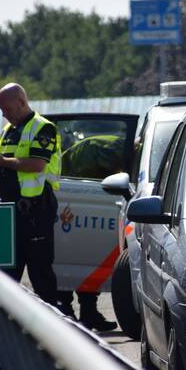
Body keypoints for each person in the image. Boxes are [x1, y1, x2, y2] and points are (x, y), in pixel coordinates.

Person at [0, 83, 65, 310]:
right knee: (8, 272)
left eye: (7, 109)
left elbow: (36, 164)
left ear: (22, 102)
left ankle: (51, 326)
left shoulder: (43, 128)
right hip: (10, 210)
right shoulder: (9, 131)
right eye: (1, 110)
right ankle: (10, 324)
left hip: (35, 210)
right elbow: (9, 168)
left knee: (40, 272)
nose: (4, 114)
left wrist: (1, 161)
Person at [56, 133, 125, 330]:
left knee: (90, 256)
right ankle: (65, 309)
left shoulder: (114, 149)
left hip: (77, 195)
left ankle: (88, 312)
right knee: (69, 255)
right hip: (69, 195)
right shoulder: (109, 152)